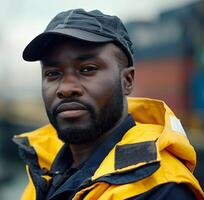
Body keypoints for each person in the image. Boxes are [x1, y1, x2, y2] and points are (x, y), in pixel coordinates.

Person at [13, 9, 204, 200]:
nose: (66, 88)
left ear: (127, 81)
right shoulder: (45, 168)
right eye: (52, 73)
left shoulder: (159, 189)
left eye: (87, 69)